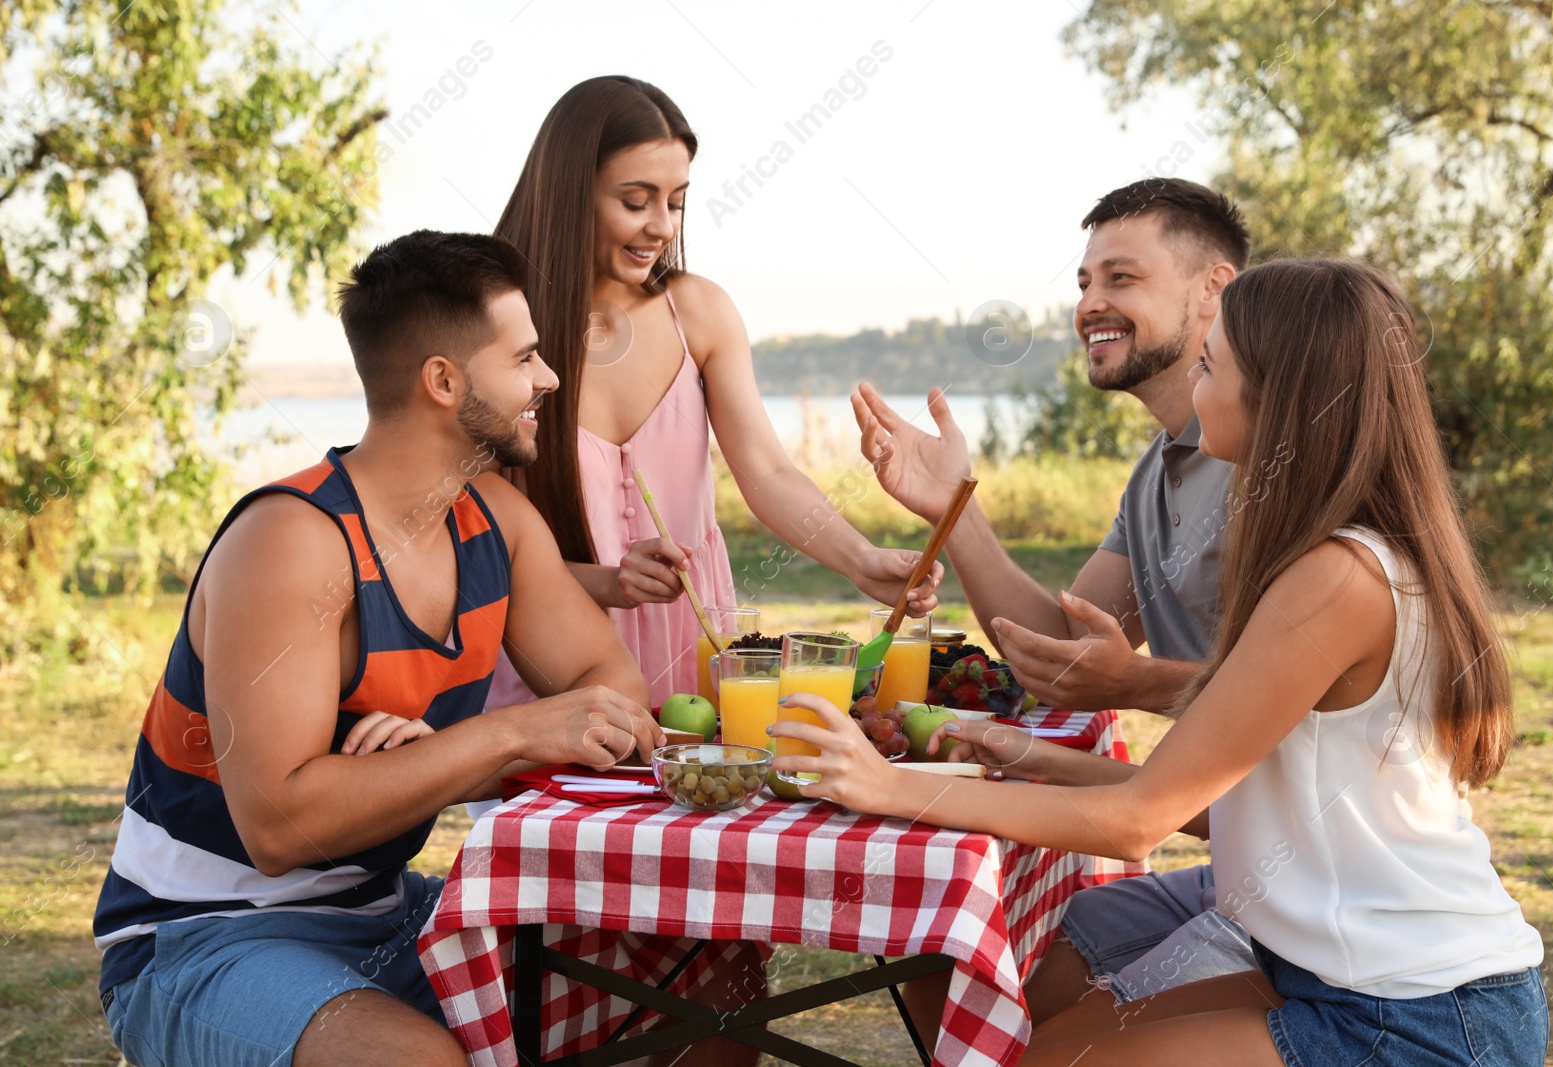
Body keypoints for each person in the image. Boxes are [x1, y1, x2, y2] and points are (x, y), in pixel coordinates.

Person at [775, 257, 1548, 1065]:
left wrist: (887, 785)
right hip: (1337, 975)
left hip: (1418, 1015)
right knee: (1039, 1046)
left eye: (1212, 365)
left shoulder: (1337, 578)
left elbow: (1139, 819)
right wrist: (1023, 751)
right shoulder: (1330, 556)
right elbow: (1224, 804)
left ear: (1278, 399)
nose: (1196, 388)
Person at [92, 231, 705, 1067]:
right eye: (524, 356)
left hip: (384, 913)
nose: (549, 378)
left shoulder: (496, 520)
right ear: (444, 381)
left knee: (702, 965)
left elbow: (613, 696)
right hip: (205, 938)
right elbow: (280, 825)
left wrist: (427, 765)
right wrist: (497, 739)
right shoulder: (294, 542)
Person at [856, 179, 1259, 1028]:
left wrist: (1133, 683)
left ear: (1212, 290)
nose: (1089, 305)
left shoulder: (1274, 465)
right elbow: (1054, 648)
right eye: (1083, 283)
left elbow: (1298, 691)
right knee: (953, 960)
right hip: (1236, 860)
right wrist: (955, 508)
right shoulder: (1159, 469)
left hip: (1301, 879)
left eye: (1121, 278)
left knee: (1042, 1026)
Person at [488, 75, 939, 710]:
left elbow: (768, 471)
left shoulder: (698, 312)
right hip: (553, 646)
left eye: (674, 202)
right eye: (636, 200)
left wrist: (860, 561)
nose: (660, 228)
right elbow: (476, 537)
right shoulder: (502, 327)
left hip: (691, 637)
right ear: (570, 194)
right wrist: (607, 581)